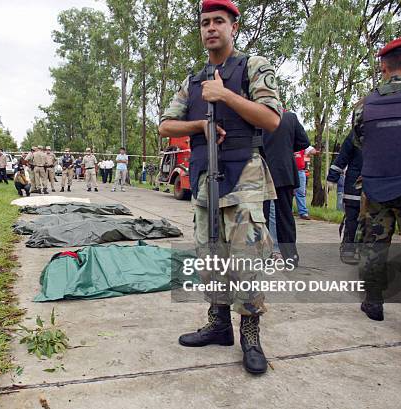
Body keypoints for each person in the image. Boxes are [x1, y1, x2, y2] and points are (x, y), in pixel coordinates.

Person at [159, 0, 282, 374]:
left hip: (244, 176)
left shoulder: (253, 67)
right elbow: (166, 125)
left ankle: (250, 336)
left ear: (234, 28)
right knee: (209, 255)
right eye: (205, 22)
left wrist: (226, 95)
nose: (211, 28)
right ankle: (218, 324)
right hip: (204, 180)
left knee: (247, 259)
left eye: (219, 21)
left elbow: (273, 119)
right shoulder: (192, 80)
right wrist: (200, 126)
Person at [352, 35, 401, 338]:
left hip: (375, 188)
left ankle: (373, 301)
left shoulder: (365, 103)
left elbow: (358, 140)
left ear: (383, 65)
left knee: (373, 246)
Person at [262, 110, 311, 266]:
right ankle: (290, 256)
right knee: (285, 216)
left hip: (262, 171)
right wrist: (287, 146)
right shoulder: (290, 117)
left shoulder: (255, 116)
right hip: (285, 171)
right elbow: (304, 142)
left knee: (262, 215)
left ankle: (265, 254)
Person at [326, 131, 362, 265]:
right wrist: (332, 177)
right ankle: (348, 248)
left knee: (375, 219)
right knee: (352, 217)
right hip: (355, 183)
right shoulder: (356, 134)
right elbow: (343, 156)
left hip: (377, 183)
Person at [293, 147, 316, 219]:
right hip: (289, 170)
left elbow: (313, 151)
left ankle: (303, 212)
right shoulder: (288, 144)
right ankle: (287, 212)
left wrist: (308, 152)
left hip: (300, 171)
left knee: (301, 192)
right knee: (288, 192)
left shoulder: (301, 146)